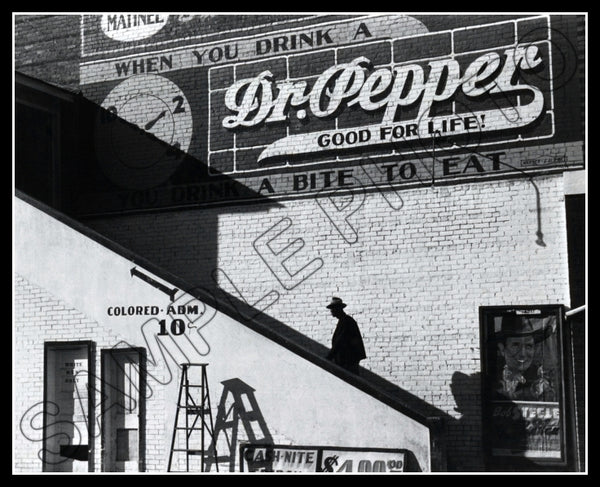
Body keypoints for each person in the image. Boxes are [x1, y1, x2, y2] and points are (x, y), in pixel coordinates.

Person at [493, 313, 556, 402]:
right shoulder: (493, 376)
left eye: (529, 346)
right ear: (502, 349)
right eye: (516, 345)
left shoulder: (540, 380)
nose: (523, 354)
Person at [325, 297, 366, 374]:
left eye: (333, 308)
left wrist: (329, 357)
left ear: (338, 309)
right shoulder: (344, 320)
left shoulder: (346, 321)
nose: (331, 311)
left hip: (347, 360)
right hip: (345, 360)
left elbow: (340, 341)